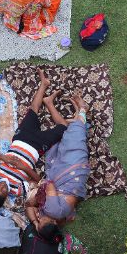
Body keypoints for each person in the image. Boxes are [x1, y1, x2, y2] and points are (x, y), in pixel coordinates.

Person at [0, 69, 65, 208]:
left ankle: (44, 84)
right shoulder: (17, 190)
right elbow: (38, 181)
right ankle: (49, 103)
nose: (1, 186)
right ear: (5, 197)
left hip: (21, 138)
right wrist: (25, 168)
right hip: (36, 147)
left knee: (33, 109)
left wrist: (3, 158)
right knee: (63, 128)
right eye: (3, 191)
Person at [27, 85, 90, 224]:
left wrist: (36, 221)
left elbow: (29, 208)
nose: (37, 218)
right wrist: (39, 188)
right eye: (40, 223)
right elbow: (49, 185)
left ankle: (72, 116)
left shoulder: (59, 219)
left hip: (67, 173)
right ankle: (83, 111)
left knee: (65, 135)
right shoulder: (51, 211)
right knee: (74, 138)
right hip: (72, 169)